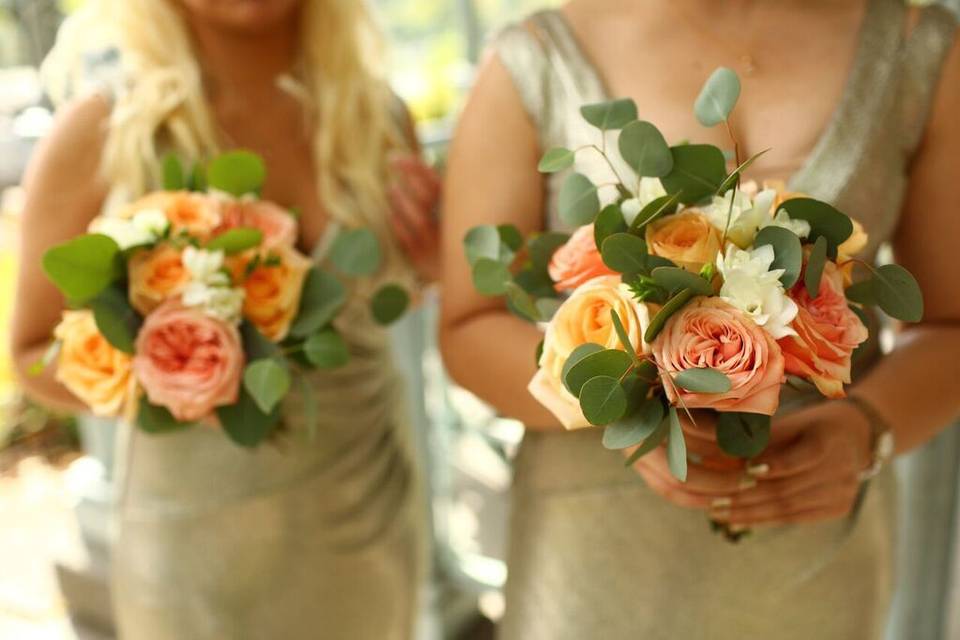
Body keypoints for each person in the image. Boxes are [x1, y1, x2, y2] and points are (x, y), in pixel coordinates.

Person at [440, 0, 959, 638]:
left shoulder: (914, 49)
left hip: (810, 532)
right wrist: (622, 408)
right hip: (595, 538)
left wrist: (867, 427)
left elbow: (948, 326)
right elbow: (469, 324)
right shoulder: (537, 57)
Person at [11, 1, 441, 638]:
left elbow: (379, 303)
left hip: (362, 519)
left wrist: (430, 265)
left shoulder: (377, 117)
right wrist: (161, 365)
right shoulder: (104, 128)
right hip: (191, 549)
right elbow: (29, 354)